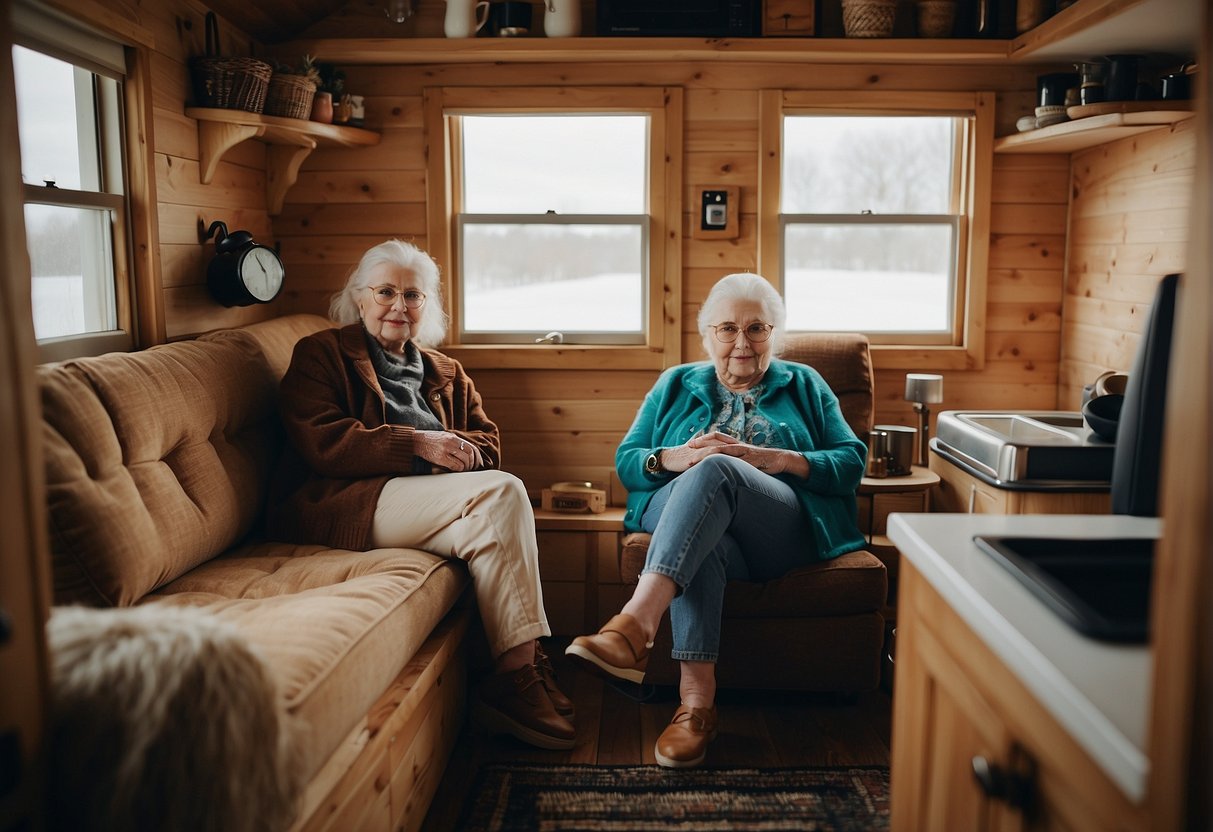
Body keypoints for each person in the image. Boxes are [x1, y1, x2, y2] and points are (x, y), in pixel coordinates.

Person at [268, 239, 574, 750]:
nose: (399, 306)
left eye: (413, 295)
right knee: (502, 497)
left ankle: (517, 668)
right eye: (385, 291)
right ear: (359, 297)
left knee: (491, 519)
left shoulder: (445, 371)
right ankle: (519, 673)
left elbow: (488, 443)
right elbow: (325, 443)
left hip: (424, 502)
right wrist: (419, 445)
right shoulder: (321, 354)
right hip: (350, 501)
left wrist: (448, 455)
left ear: (426, 306)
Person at [566, 272, 867, 768]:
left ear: (775, 334)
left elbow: (851, 459)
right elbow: (627, 461)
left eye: (756, 329)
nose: (741, 342)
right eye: (727, 329)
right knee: (705, 529)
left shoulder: (805, 383)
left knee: (720, 467)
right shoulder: (676, 383)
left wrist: (780, 460)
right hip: (689, 518)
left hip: (779, 526)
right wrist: (672, 458)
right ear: (707, 334)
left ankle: (636, 624)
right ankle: (695, 708)